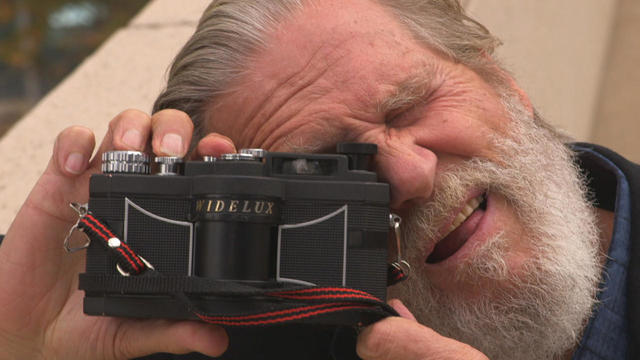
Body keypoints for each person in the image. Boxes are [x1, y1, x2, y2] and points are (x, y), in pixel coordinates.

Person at [0, 0, 637, 359]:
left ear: (506, 86)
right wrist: (21, 347)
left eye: (411, 107)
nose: (410, 175)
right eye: (334, 167)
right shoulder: (240, 342)